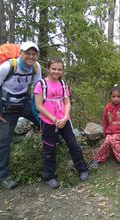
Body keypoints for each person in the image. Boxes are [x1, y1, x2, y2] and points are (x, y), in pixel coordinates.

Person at [34, 58, 88, 189]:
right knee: (49, 149)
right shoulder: (41, 84)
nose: (56, 71)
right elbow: (38, 106)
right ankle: (48, 176)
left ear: (62, 70)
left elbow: (67, 102)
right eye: (54, 68)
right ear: (48, 68)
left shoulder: (63, 84)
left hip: (64, 121)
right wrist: (54, 119)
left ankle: (82, 169)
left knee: (73, 145)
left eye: (59, 69)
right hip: (48, 122)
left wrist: (64, 118)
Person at [0, 42, 42, 189]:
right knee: (4, 141)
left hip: (24, 103)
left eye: (34, 54)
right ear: (21, 53)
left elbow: (38, 89)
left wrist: (43, 111)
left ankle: (58, 143)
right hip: (6, 107)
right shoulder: (8, 66)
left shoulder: (36, 67)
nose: (31, 56)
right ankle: (3, 176)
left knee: (44, 121)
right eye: (28, 53)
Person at [90, 85, 120, 169]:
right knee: (107, 142)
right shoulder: (107, 107)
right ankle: (97, 159)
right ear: (110, 97)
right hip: (110, 131)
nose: (116, 98)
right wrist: (105, 133)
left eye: (118, 96)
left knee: (114, 140)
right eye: (113, 96)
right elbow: (105, 121)